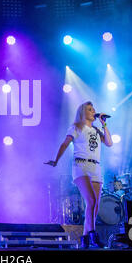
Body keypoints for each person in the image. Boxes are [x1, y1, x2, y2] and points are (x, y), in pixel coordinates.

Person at [45, 101, 112, 249]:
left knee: (94, 206)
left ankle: (85, 239)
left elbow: (109, 143)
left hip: (96, 167)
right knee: (92, 201)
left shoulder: (96, 130)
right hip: (81, 166)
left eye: (93, 109)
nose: (93, 111)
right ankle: (93, 235)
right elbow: (65, 143)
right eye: (89, 109)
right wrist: (56, 160)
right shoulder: (76, 127)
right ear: (83, 113)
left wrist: (104, 124)